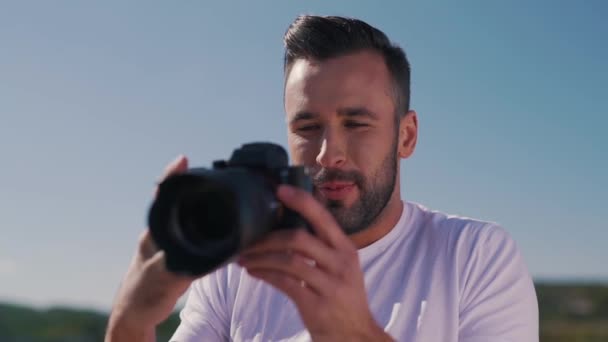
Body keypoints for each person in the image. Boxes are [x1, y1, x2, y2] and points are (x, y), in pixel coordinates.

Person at [105, 15, 539, 342]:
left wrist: (355, 333)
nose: (328, 153)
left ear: (406, 136)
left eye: (356, 124)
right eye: (307, 128)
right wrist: (131, 322)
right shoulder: (235, 267)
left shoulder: (474, 257)